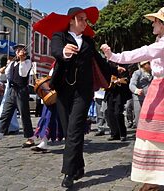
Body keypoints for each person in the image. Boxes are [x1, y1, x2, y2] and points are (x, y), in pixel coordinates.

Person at [101, 6, 164, 191]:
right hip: (160, 88)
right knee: (152, 133)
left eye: (155, 20)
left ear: (163, 24)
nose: (152, 23)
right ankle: (154, 179)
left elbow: (143, 52)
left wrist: (114, 56)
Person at [42, 6, 122, 188]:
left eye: (86, 20)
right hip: (63, 91)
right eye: (81, 19)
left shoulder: (88, 41)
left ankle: (69, 173)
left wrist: (115, 68)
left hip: (83, 93)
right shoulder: (60, 36)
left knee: (74, 130)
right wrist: (64, 52)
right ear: (71, 20)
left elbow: (100, 62)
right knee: (69, 131)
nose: (85, 23)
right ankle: (79, 167)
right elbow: (55, 50)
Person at [0, 44, 34, 148]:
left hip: (21, 91)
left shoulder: (28, 62)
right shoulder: (12, 63)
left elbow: (23, 73)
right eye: (17, 50)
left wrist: (22, 60)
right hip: (11, 91)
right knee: (5, 114)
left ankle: (30, 139)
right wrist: (2, 72)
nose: (18, 51)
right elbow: (6, 77)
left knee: (24, 115)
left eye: (20, 50)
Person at [0, 53, 20, 135]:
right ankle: (2, 128)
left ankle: (12, 127)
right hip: (7, 92)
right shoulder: (8, 70)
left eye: (9, 63)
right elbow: (1, 79)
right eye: (7, 63)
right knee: (3, 110)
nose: (7, 64)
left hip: (15, 92)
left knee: (11, 112)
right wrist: (1, 72)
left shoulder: (16, 69)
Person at [104, 68, 131, 141]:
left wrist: (117, 81)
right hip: (110, 93)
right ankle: (114, 133)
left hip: (120, 94)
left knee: (118, 113)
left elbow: (126, 80)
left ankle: (122, 134)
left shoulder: (123, 68)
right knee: (110, 113)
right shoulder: (108, 68)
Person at [129, 61, 153, 129]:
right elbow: (132, 84)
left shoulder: (152, 73)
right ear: (144, 65)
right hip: (139, 98)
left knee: (150, 117)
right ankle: (140, 132)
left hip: (150, 98)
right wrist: (136, 90)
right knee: (139, 117)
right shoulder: (137, 73)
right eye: (149, 64)